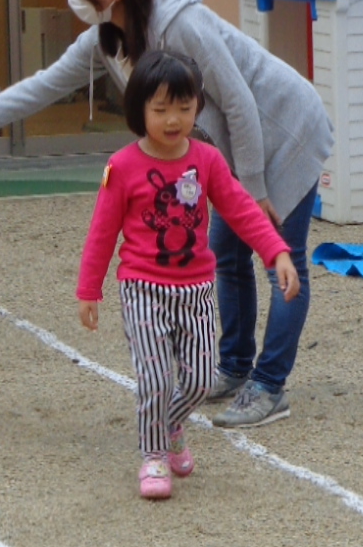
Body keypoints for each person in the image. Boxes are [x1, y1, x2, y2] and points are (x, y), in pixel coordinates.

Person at [0, 0, 333, 429]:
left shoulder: (180, 23)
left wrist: (254, 189)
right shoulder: (107, 38)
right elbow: (42, 86)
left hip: (286, 129)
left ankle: (269, 385)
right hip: (237, 148)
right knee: (227, 257)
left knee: (282, 262)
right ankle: (233, 366)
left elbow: (239, 102)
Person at [78, 51, 299, 500]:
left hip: (196, 290)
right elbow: (102, 231)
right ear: (139, 109)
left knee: (198, 380)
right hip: (142, 289)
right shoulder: (122, 167)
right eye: (161, 109)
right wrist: (89, 289)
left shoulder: (208, 160)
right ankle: (153, 455)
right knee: (156, 378)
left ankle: (171, 423)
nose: (173, 119)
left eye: (184, 107)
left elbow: (241, 209)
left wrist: (276, 251)